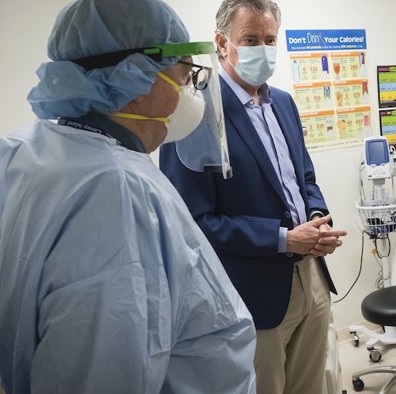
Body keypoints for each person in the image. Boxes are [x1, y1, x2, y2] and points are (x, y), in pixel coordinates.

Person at [0, 0, 257, 392]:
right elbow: (104, 371)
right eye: (185, 75)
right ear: (138, 78)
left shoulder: (24, 150)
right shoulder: (118, 189)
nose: (191, 91)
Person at [159, 1, 347, 393]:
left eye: (269, 39)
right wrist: (282, 239)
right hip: (253, 292)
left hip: (311, 275)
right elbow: (193, 222)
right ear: (222, 44)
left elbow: (305, 178)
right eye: (250, 39)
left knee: (312, 384)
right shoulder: (195, 115)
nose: (262, 49)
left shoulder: (284, 102)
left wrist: (317, 217)